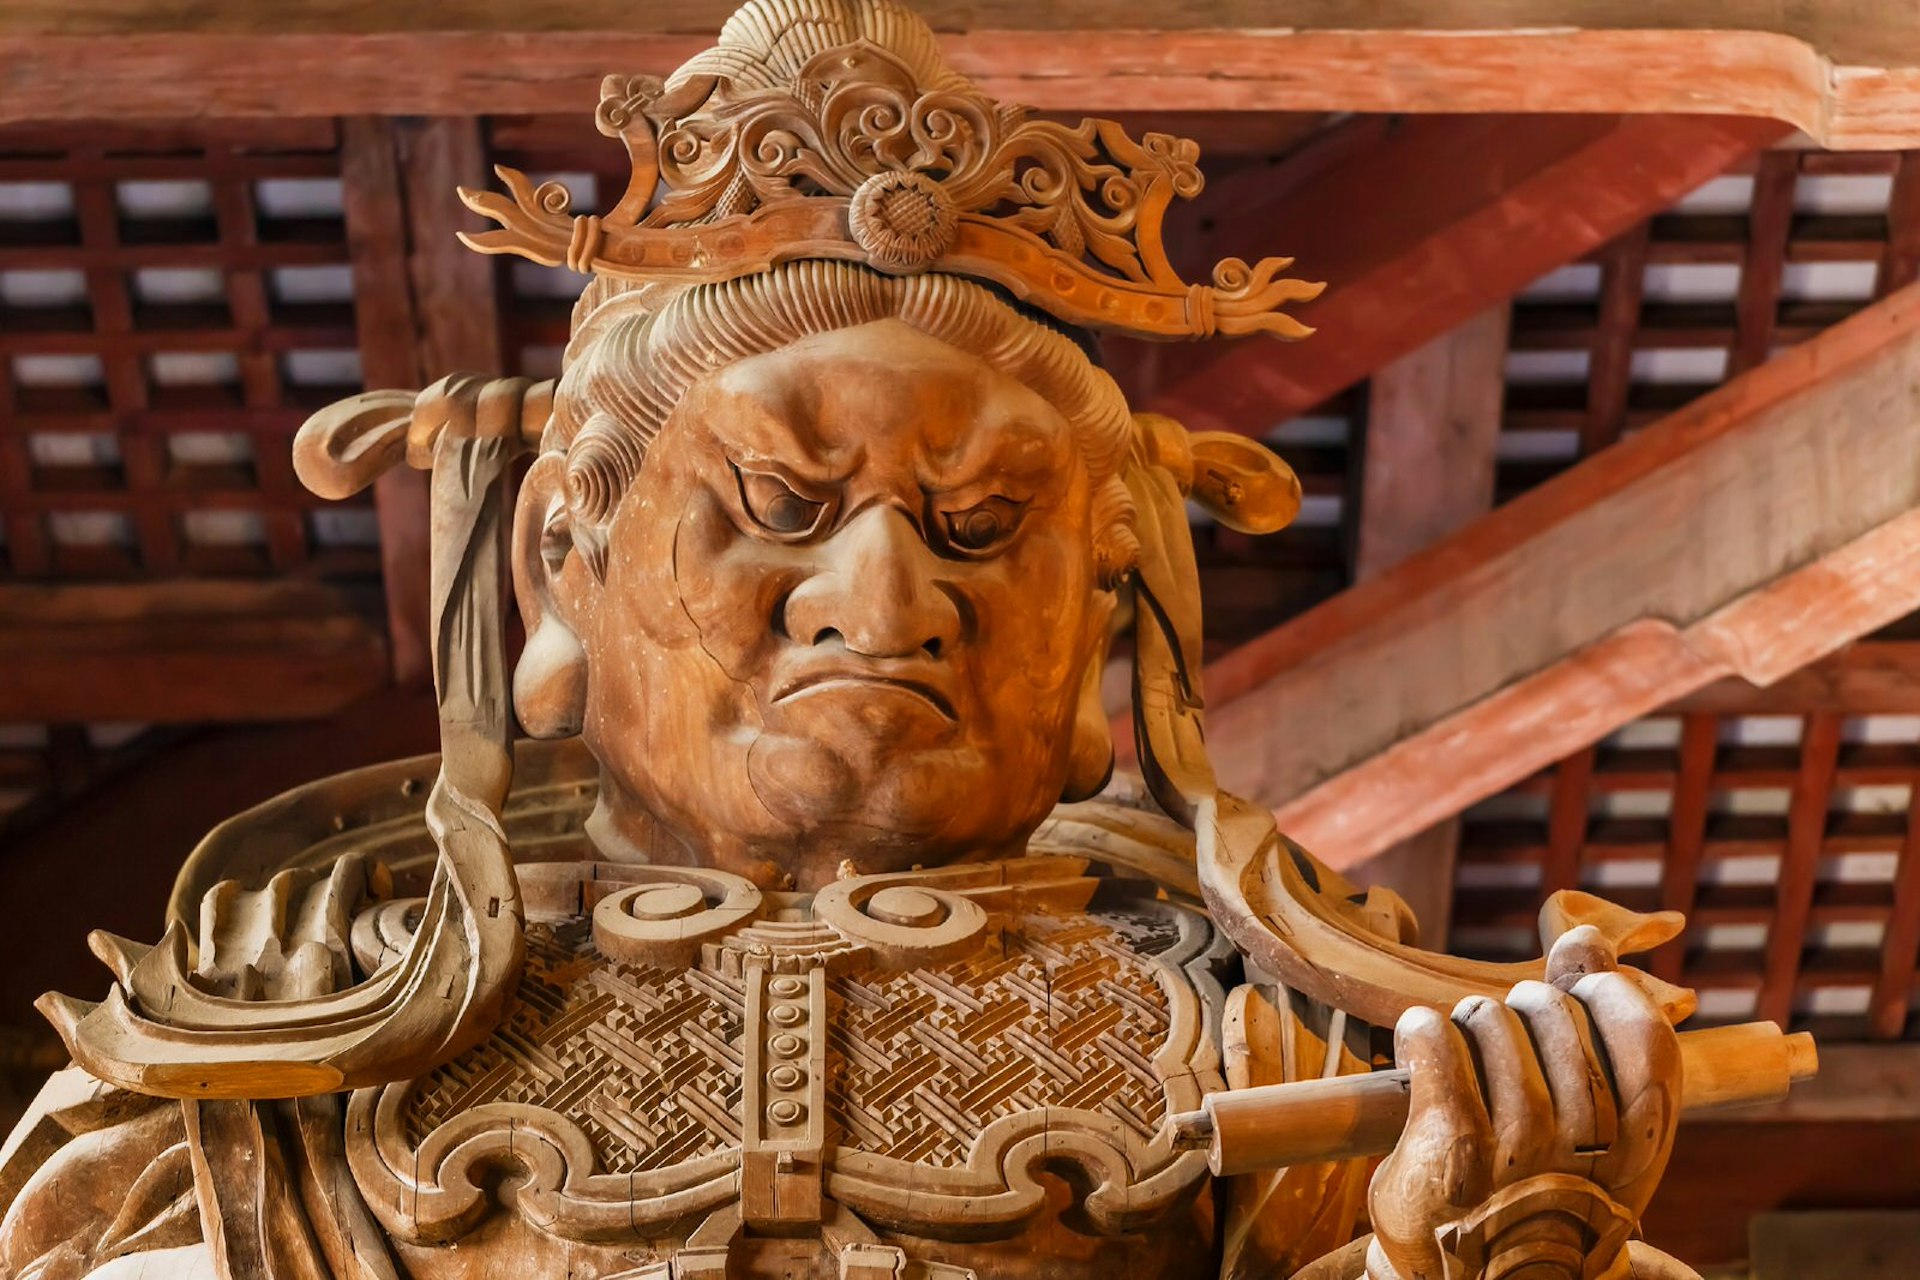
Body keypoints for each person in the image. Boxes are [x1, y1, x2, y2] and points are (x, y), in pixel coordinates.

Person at [1, 4, 1703, 1276]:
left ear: (1102, 612)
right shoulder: (268, 1049)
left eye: (980, 533)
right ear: (561, 564)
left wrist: (1491, 1246)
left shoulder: (1288, 1045)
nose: (884, 604)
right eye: (783, 504)